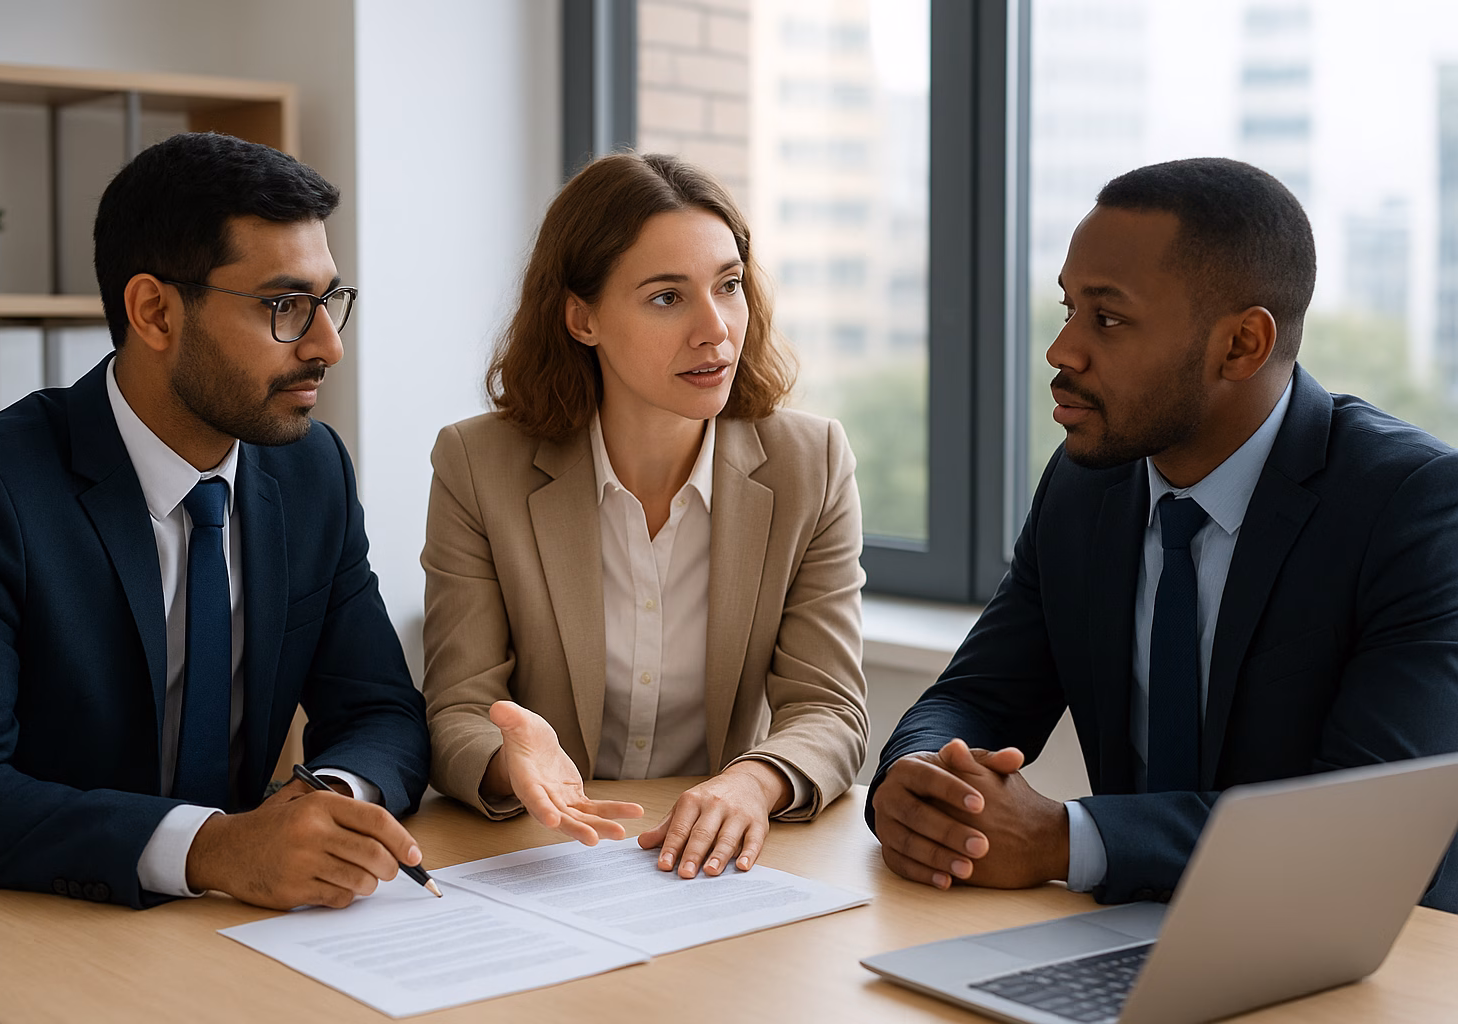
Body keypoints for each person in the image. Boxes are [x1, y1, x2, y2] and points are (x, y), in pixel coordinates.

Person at [868, 156, 1458, 912]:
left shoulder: (1414, 508)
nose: (1062, 350)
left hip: (1362, 957)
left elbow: (1364, 829)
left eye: (1107, 318)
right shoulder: (1086, 484)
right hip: (1126, 939)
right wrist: (919, 781)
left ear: (1241, 345)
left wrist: (1063, 839)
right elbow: (977, 696)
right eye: (1068, 308)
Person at [0, 132, 431, 911]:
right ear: (155, 312)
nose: (328, 345)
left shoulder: (310, 469)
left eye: (329, 302)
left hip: (247, 926)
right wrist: (210, 848)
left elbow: (381, 710)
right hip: (51, 927)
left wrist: (325, 799)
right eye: (285, 306)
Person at [423, 152, 867, 879]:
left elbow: (830, 709)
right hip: (544, 856)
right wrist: (513, 764)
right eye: (667, 297)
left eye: (728, 287)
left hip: (708, 862)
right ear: (582, 317)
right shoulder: (478, 463)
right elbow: (457, 710)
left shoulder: (809, 460)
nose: (716, 329)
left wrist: (751, 782)